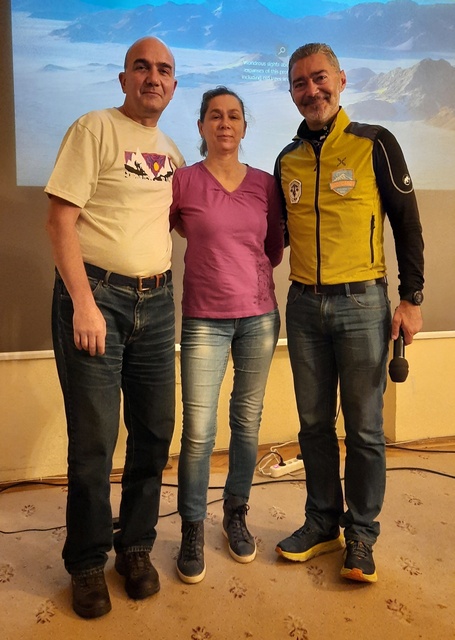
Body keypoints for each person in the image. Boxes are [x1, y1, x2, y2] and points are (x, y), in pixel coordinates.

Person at [45, 37, 184, 618]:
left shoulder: (171, 151)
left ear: (173, 86)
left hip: (158, 303)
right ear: (123, 78)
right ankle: (85, 562)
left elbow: (185, 219)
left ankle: (135, 547)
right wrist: (83, 303)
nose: (154, 77)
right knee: (95, 442)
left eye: (164, 70)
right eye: (142, 67)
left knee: (153, 433)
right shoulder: (94, 129)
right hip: (96, 299)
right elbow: (60, 220)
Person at [274, 43, 424, 583]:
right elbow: (275, 235)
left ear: (341, 80)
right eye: (299, 83)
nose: (311, 90)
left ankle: (361, 534)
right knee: (313, 424)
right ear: (291, 93)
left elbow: (407, 223)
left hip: (363, 304)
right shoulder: (286, 159)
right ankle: (322, 522)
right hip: (303, 305)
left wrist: (411, 298)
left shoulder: (375, 143)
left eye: (319, 78)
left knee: (363, 428)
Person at [170, 86, 284, 584]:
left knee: (247, 423)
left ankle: (235, 514)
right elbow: (174, 229)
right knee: (198, 432)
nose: (224, 123)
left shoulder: (264, 184)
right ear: (201, 126)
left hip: (259, 318)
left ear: (243, 127)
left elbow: (273, 248)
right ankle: (193, 526)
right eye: (214, 116)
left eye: (233, 116)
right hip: (203, 320)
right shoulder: (183, 181)